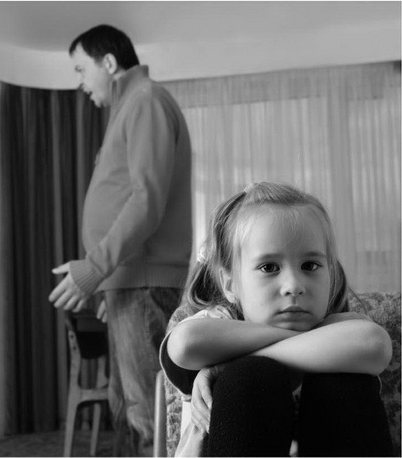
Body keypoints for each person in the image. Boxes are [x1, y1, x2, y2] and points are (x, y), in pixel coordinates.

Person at [161, 182, 393, 457]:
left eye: (310, 266)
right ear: (230, 284)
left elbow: (375, 344)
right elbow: (185, 345)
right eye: (269, 267)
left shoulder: (341, 330)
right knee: (252, 376)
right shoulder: (219, 323)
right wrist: (297, 343)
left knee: (345, 381)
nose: (293, 285)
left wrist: (224, 366)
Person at [48, 25, 193, 456]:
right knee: (130, 415)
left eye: (81, 70)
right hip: (130, 281)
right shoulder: (132, 105)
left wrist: (95, 269)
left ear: (108, 63)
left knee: (149, 419)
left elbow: (146, 201)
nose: (80, 83)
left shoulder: (145, 100)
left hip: (141, 281)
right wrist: (110, 283)